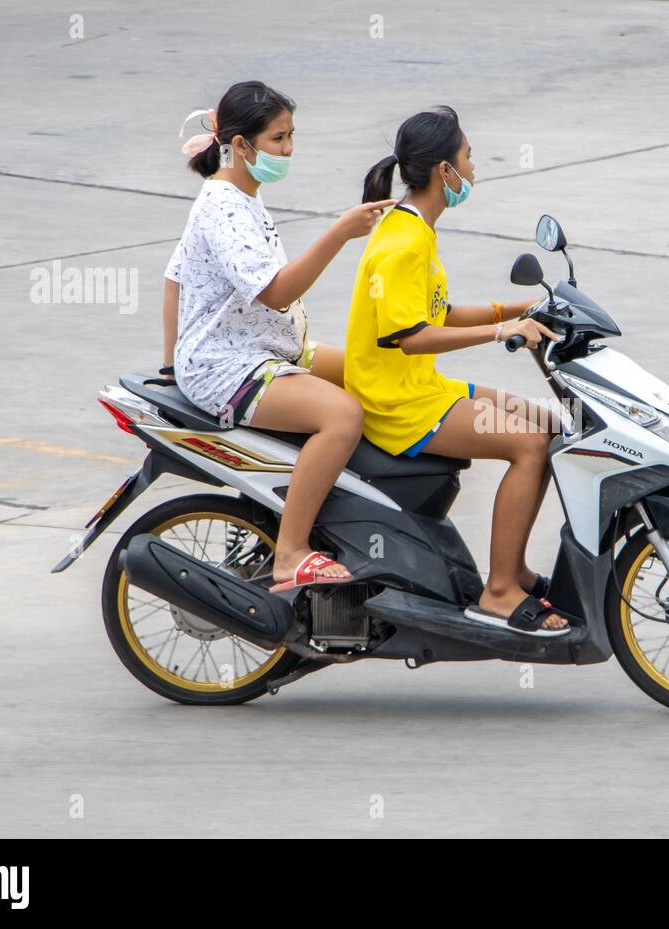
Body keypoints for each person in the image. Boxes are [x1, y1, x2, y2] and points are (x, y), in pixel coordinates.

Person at [344, 106, 570, 637]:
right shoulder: (402, 243)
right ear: (444, 171)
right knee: (529, 445)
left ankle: (512, 570)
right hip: (398, 403)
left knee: (551, 424)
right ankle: (499, 593)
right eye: (468, 157)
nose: (474, 167)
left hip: (421, 386)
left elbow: (437, 314)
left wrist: (516, 310)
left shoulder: (415, 229)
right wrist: (498, 333)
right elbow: (410, 337)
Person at [162, 80, 394, 591]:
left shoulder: (240, 196)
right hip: (231, 365)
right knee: (343, 415)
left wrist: (169, 365)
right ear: (241, 146)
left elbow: (175, 276)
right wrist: (338, 234)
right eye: (277, 139)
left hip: (261, 350)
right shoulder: (224, 207)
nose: (288, 150)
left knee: (372, 367)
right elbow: (274, 291)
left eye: (291, 137)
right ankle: (291, 552)